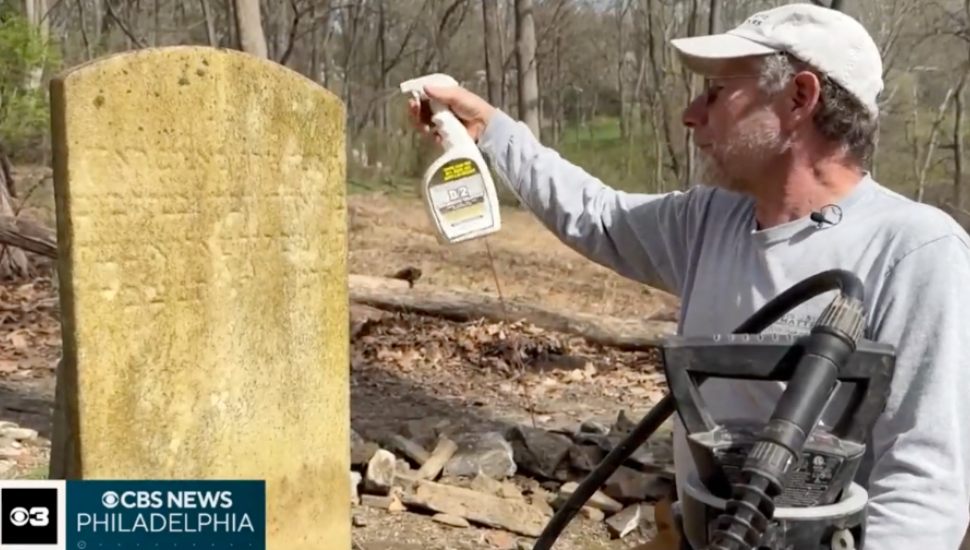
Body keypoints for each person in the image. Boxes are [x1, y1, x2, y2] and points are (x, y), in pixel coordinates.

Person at [408, 3, 970, 549]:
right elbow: (597, 215)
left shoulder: (915, 250)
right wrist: (493, 130)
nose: (691, 113)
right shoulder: (709, 220)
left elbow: (924, 479)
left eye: (718, 92)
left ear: (800, 97)